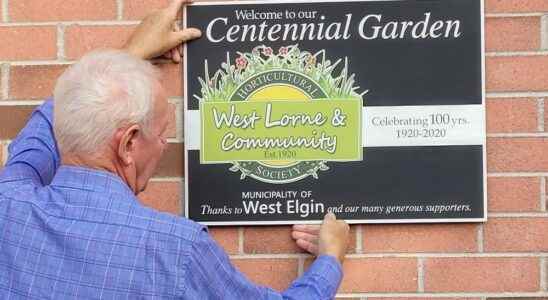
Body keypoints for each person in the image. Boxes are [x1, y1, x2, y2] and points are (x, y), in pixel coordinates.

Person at [0, 0, 350, 299]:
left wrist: (128, 57)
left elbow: (41, 132)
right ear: (128, 143)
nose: (165, 143)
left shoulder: (8, 206)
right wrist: (331, 259)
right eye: (162, 132)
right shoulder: (177, 250)